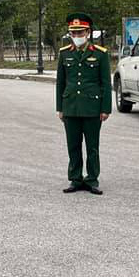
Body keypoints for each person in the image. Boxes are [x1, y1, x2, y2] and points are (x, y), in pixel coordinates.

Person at [56, 13, 111, 195]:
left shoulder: (100, 54)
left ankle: (92, 179)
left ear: (88, 32)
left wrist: (105, 109)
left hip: (92, 108)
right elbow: (61, 82)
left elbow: (106, 83)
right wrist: (60, 108)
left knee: (92, 147)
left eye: (80, 32)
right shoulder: (64, 53)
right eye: (73, 33)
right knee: (73, 145)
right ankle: (75, 178)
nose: (77, 36)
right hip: (70, 107)